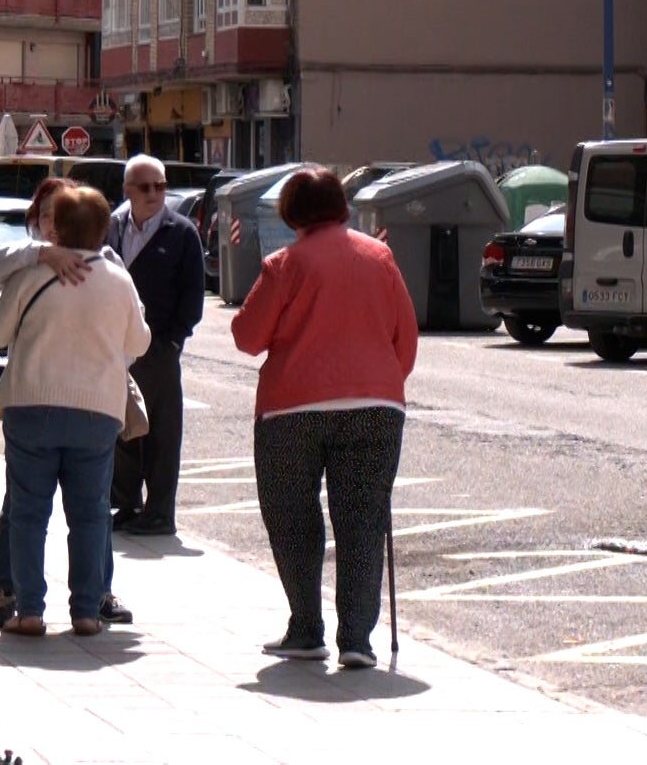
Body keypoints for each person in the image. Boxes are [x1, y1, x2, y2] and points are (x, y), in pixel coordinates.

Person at [230, 167, 418, 668]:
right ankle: (357, 639)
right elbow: (406, 339)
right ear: (341, 205)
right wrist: (379, 380)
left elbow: (248, 338)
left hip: (293, 406)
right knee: (362, 520)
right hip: (375, 405)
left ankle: (306, 627)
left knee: (292, 517)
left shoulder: (284, 265)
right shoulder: (379, 258)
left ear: (292, 213)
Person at [0, 185, 152, 636]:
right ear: (102, 230)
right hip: (96, 410)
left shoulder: (31, 276)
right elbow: (140, 343)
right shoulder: (119, 281)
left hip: (30, 405)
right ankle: (87, 610)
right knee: (91, 512)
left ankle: (31, 610)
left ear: (55, 228)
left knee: (28, 511)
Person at [107, 154, 206, 537]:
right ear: (127, 190)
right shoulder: (112, 229)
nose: (154, 193)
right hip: (115, 346)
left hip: (159, 347)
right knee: (123, 427)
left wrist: (175, 340)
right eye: (145, 187)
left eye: (160, 186)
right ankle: (127, 503)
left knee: (162, 432)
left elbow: (193, 295)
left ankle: (160, 512)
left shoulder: (181, 232)